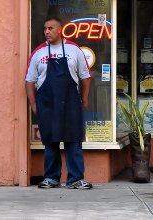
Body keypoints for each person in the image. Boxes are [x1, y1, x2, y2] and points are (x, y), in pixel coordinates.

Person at [26, 16, 93, 189]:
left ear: (60, 30)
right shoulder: (38, 52)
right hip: (47, 103)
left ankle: (76, 179)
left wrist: (84, 98)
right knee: (50, 141)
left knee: (73, 141)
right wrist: (34, 104)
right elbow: (29, 81)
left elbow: (85, 76)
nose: (46, 32)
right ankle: (51, 178)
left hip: (71, 102)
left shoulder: (74, 50)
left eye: (50, 28)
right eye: (45, 29)